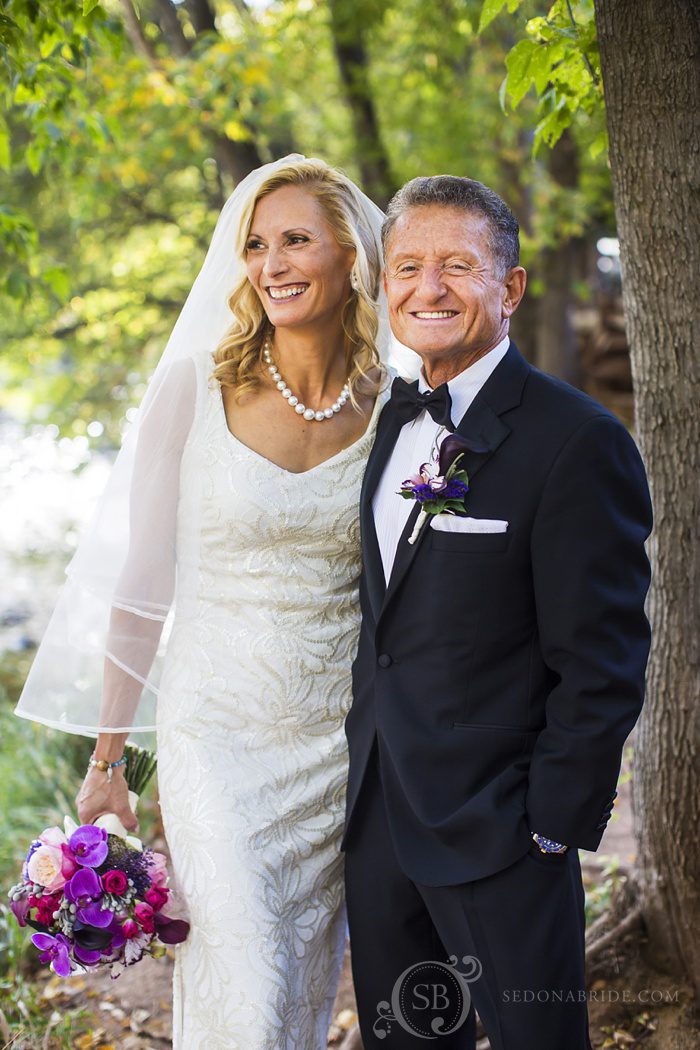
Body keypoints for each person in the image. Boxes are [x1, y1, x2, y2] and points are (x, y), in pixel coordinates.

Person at [15, 155, 393, 1048]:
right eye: (256, 245)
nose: (271, 264)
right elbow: (141, 583)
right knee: (245, 978)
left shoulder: (397, 405)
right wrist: (110, 762)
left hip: (336, 750)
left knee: (296, 985)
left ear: (352, 256)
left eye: (297, 240)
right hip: (214, 735)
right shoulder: (193, 390)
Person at [342, 175, 653, 1050]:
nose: (427, 288)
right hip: (381, 819)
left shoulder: (578, 441)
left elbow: (603, 660)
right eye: (406, 266)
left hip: (502, 832)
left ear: (509, 288)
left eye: (456, 265)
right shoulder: (385, 426)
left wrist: (551, 828)